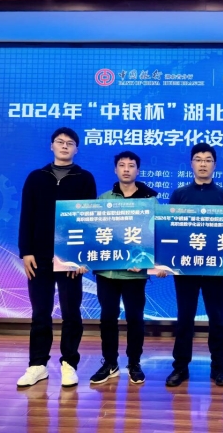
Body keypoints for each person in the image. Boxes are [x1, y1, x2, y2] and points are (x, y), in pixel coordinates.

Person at [17, 127, 97, 388]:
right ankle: (37, 365)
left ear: (76, 149)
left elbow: (88, 220)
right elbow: (27, 215)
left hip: (69, 257)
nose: (64, 146)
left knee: (71, 311)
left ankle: (69, 363)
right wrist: (25, 251)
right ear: (51, 146)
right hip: (39, 256)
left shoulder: (85, 179)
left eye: (69, 143)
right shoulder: (36, 178)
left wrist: (81, 257)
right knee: (40, 311)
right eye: (60, 142)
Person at [165, 143, 223, 388]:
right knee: (184, 318)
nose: (203, 164)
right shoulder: (179, 195)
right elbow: (170, 231)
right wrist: (164, 263)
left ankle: (218, 368)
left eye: (208, 160)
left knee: (217, 319)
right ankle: (180, 368)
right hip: (185, 268)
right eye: (198, 159)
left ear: (214, 165)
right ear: (191, 164)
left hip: (215, 269)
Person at [89, 151, 158, 385]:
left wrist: (147, 261)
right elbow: (94, 234)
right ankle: (110, 363)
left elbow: (156, 235)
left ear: (138, 170)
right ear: (115, 169)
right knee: (107, 318)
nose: (126, 169)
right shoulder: (104, 199)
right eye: (122, 165)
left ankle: (134, 363)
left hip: (135, 275)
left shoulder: (150, 201)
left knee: (135, 319)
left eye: (131, 165)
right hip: (107, 272)